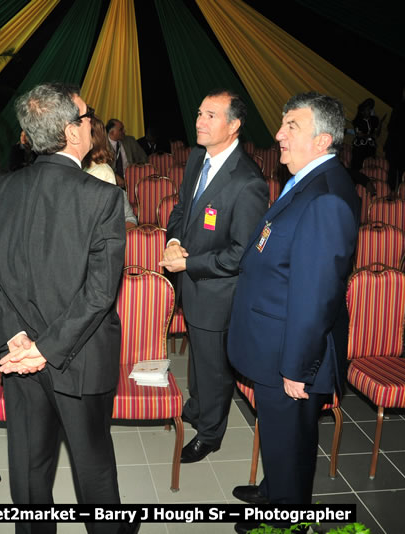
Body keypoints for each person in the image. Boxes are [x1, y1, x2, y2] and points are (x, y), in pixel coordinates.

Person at [0, 83, 127, 534]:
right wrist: (46, 347)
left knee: (29, 464)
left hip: (18, 357)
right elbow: (100, 293)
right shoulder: (102, 197)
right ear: (69, 132)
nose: (90, 123)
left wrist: (13, 337)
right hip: (78, 357)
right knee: (93, 466)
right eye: (85, 117)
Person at [227, 92, 359, 533]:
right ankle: (274, 490)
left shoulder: (325, 196)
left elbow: (316, 294)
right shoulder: (305, 182)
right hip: (276, 341)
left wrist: (297, 368)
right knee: (283, 435)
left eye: (292, 127)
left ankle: (285, 516)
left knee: (292, 437)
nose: (279, 135)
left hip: (290, 351)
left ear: (322, 141)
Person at [160, 89, 268, 464]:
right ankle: (197, 404)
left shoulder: (248, 181)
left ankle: (210, 433)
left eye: (210, 115)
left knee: (214, 365)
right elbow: (181, 209)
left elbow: (242, 253)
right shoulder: (196, 158)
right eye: (199, 113)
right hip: (191, 283)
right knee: (199, 357)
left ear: (234, 125)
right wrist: (174, 240)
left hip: (218, 290)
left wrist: (188, 265)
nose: (199, 121)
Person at [83, 115, 138, 228]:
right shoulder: (96, 171)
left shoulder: (102, 172)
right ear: (111, 133)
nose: (124, 131)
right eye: (121, 129)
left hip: (126, 184)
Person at [350, 98, 379, 172]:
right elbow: (359, 134)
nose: (369, 111)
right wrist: (369, 136)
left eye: (371, 109)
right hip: (360, 149)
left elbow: (376, 134)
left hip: (370, 149)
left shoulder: (374, 120)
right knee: (357, 167)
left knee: (368, 168)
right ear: (363, 111)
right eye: (368, 109)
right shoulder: (358, 121)